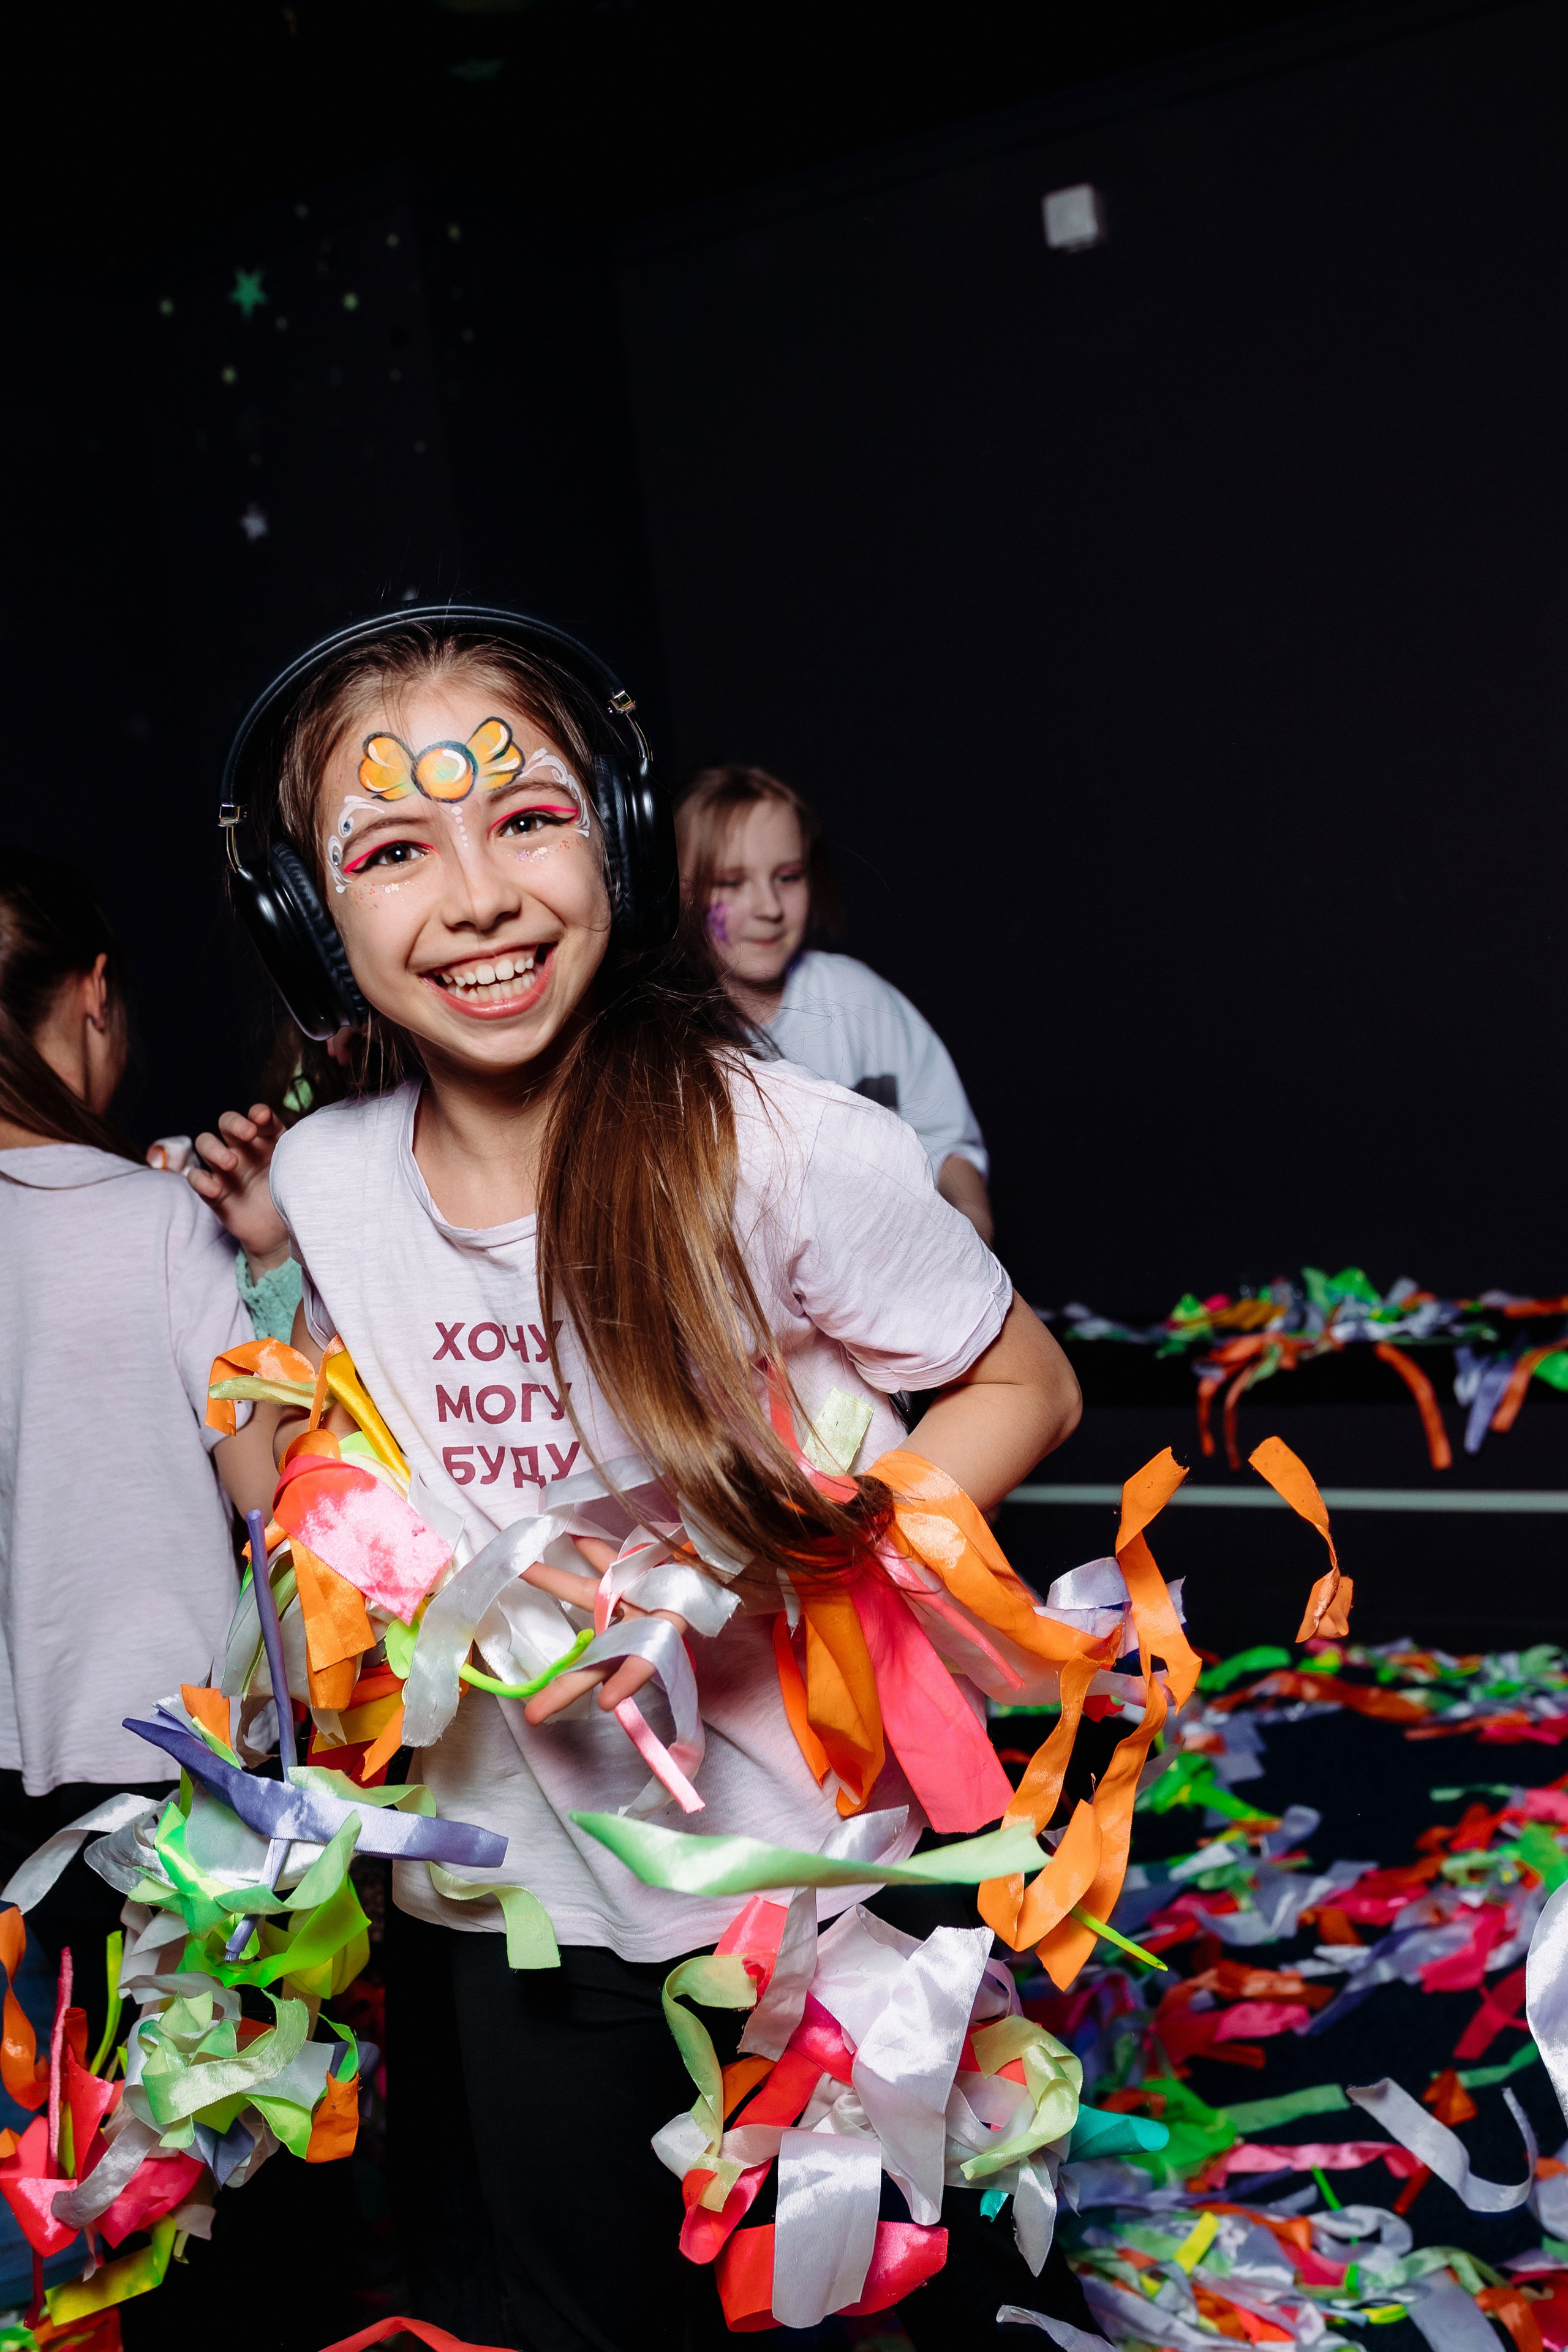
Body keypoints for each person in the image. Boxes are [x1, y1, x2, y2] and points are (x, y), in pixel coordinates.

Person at [193, 612, 1083, 2352]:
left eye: (524, 817)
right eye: (390, 850)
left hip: (805, 1893)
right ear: (311, 918)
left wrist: (748, 1563)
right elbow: (299, 1475)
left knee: (870, 2308)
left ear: (610, 832)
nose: (476, 896)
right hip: (513, 1908)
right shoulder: (325, 1178)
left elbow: (1026, 1382)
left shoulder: (786, 1142)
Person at [0, 849, 281, 2045]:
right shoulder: (165, 1221)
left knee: (69, 2144)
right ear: (94, 992)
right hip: (178, 1763)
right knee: (222, 2152)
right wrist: (269, 1264)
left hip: (19, 1778)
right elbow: (271, 1491)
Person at [676, 763, 995, 1242]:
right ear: (678, 892)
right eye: (731, 882)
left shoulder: (857, 1000)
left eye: (788, 877)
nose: (769, 907)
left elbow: (946, 1146)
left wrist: (973, 1235)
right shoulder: (666, 1033)